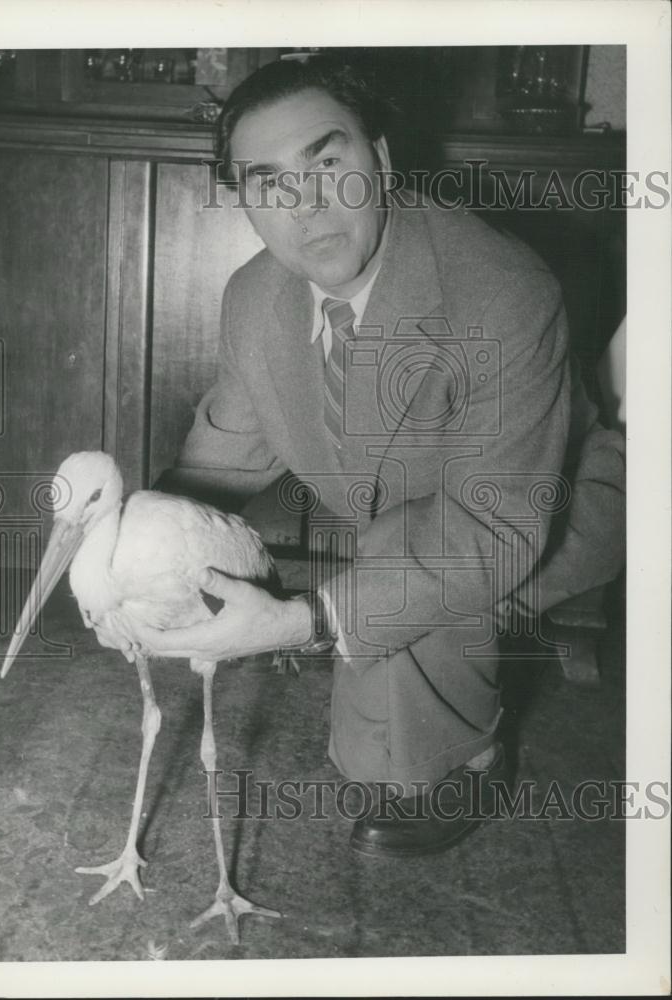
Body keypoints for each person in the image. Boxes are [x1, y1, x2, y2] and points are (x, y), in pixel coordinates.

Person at [139, 56, 625, 857]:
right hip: (418, 513)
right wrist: (138, 556)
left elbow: (491, 534)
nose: (308, 207)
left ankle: (467, 761)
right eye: (270, 184)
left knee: (401, 561)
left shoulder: (500, 289)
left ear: (386, 163)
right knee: (391, 558)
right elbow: (218, 467)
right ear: (245, 204)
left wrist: (304, 621)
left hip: (556, 510)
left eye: (329, 164)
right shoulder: (254, 297)